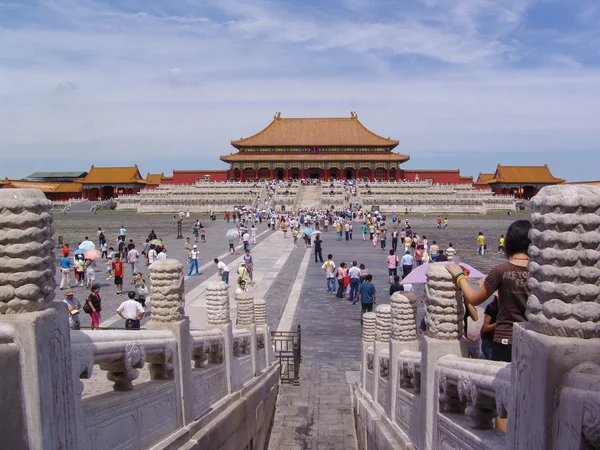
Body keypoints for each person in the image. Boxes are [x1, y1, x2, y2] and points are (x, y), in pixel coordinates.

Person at [446, 220, 532, 362]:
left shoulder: (501, 271)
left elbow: (474, 298)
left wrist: (459, 276)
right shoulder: (538, 271)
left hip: (506, 337)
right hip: (532, 339)